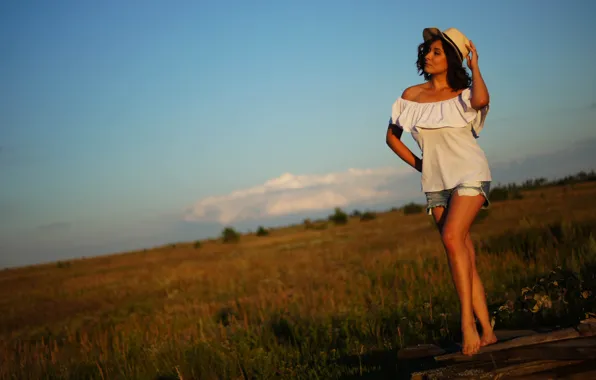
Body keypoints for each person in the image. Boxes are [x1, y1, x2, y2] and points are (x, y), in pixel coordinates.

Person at [385, 27, 498, 356]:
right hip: (435, 184)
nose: (428, 56)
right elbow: (392, 139)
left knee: (451, 239)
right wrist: (421, 165)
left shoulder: (465, 95)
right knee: (462, 253)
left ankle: (467, 324)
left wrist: (475, 66)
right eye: (427, 51)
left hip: (470, 175)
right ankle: (488, 330)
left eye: (436, 52)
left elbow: (482, 100)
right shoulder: (410, 96)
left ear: (451, 58)